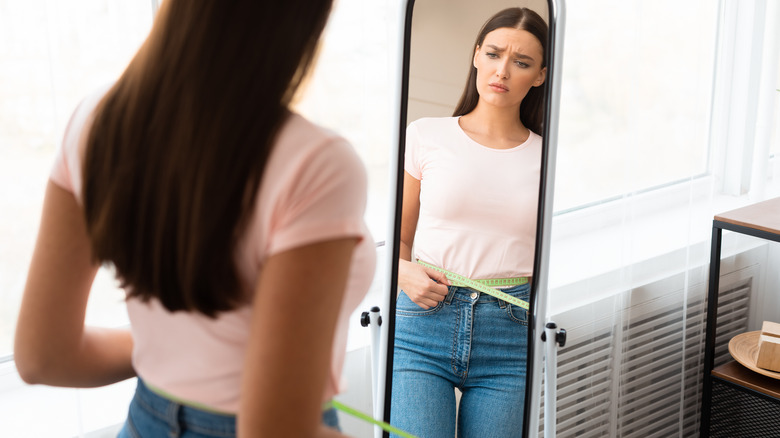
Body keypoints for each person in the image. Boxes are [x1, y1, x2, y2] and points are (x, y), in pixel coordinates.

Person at [13, 1, 375, 437]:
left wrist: (179, 354)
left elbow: (44, 355)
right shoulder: (315, 163)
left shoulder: (96, 120)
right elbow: (274, 429)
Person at [390, 7, 547, 438]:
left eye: (521, 62)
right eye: (494, 54)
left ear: (539, 75)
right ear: (477, 55)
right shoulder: (425, 135)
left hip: (510, 334)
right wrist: (402, 271)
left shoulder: (548, 158)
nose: (502, 70)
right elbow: (398, 239)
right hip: (423, 323)